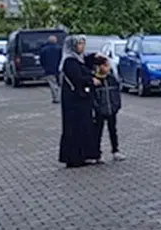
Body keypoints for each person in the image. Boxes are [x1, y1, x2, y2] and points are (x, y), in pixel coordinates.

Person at [58, 35, 103, 168]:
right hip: (74, 101)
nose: (82, 47)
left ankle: (85, 155)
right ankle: (74, 158)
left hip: (82, 100)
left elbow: (87, 63)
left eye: (83, 44)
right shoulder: (69, 61)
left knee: (84, 127)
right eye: (79, 44)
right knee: (74, 128)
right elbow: (77, 77)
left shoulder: (79, 59)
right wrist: (91, 80)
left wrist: (96, 57)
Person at [91, 59, 125, 162]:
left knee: (113, 130)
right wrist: (97, 108)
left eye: (108, 65)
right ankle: (97, 153)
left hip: (111, 110)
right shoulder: (95, 80)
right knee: (97, 132)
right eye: (104, 65)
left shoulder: (112, 79)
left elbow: (117, 93)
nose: (107, 68)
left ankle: (115, 150)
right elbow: (92, 97)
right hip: (100, 111)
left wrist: (116, 106)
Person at [39, 35, 63, 104]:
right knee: (61, 84)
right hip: (59, 69)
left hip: (48, 70)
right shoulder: (59, 48)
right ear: (55, 41)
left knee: (52, 84)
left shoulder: (43, 50)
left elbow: (41, 60)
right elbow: (62, 58)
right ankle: (61, 97)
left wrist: (44, 67)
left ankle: (56, 98)